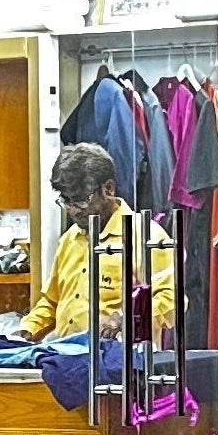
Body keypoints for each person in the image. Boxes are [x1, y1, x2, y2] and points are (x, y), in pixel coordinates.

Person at [38, 144, 174, 341]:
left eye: (81, 200)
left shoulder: (146, 236)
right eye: (66, 201)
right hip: (67, 361)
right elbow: (52, 302)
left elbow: (172, 300)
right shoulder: (70, 238)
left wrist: (125, 319)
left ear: (108, 188)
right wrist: (25, 332)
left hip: (120, 362)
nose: (73, 210)